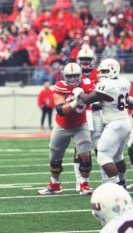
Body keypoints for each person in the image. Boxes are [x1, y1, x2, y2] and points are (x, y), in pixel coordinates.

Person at [37, 62, 94, 195]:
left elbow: (94, 98)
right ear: (64, 76)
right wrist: (76, 101)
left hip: (81, 124)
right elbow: (61, 110)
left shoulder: (87, 83)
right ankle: (55, 184)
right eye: (70, 76)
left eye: (75, 76)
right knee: (55, 155)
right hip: (62, 125)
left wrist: (85, 96)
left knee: (85, 155)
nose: (73, 79)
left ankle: (84, 185)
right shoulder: (60, 86)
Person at [76, 59, 132, 186]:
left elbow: (87, 99)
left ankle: (115, 186)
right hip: (124, 122)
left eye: (105, 71)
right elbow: (115, 100)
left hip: (115, 124)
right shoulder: (124, 82)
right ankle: (122, 182)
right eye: (101, 70)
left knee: (103, 155)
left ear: (114, 70)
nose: (101, 73)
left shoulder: (106, 84)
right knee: (118, 157)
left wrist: (79, 92)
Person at [73, 45, 105, 192]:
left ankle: (106, 179)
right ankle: (80, 181)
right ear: (78, 60)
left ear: (93, 60)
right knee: (80, 148)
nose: (85, 62)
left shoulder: (100, 74)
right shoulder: (73, 73)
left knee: (101, 146)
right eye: (83, 59)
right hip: (81, 113)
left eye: (88, 59)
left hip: (97, 113)